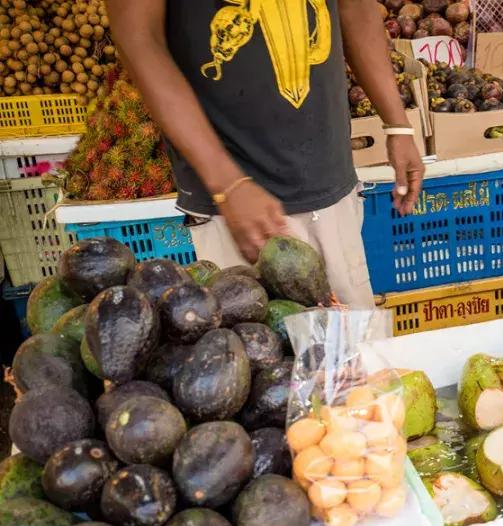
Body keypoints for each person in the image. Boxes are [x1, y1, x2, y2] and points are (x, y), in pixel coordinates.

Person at [108, 0, 425, 307]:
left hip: (329, 183)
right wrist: (227, 183)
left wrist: (398, 125)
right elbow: (138, 38)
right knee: (256, 350)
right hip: (235, 213)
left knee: (352, 354)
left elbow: (355, 8)